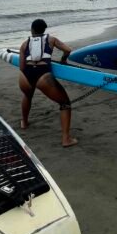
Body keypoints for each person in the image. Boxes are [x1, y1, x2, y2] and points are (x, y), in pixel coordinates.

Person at [18, 19, 78, 147]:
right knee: (65, 103)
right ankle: (66, 139)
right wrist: (63, 60)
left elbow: (22, 66)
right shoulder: (51, 40)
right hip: (43, 76)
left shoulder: (24, 44)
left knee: (28, 95)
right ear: (44, 30)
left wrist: (30, 72)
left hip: (25, 77)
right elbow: (68, 49)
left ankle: (24, 122)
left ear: (32, 29)